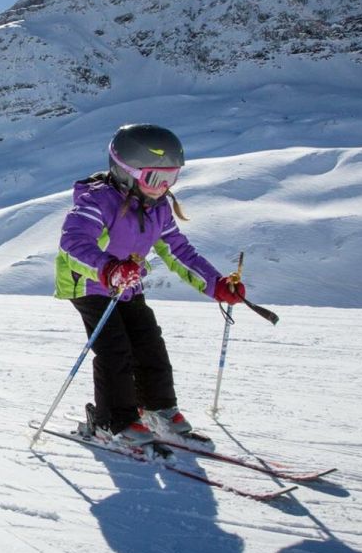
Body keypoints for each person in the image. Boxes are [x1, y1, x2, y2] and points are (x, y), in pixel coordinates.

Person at [53, 123, 247, 446]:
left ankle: (158, 408)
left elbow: (179, 252)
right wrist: (108, 269)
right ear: (126, 172)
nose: (163, 188)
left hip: (126, 284)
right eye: (156, 179)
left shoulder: (158, 209)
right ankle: (113, 420)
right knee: (115, 346)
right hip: (88, 282)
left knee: (148, 338)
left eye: (171, 178)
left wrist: (216, 285)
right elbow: (73, 244)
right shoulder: (97, 201)